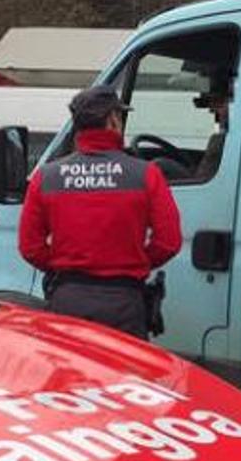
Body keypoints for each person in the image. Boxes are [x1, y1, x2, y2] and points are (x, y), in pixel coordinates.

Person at [19, 86, 182, 338]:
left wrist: (63, 264)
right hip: (125, 303)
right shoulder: (146, 174)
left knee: (70, 375)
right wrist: (135, 261)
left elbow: (30, 246)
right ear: (112, 120)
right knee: (125, 375)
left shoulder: (46, 176)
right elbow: (169, 242)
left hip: (67, 300)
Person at [193, 71, 233, 181]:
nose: (212, 110)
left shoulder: (224, 142)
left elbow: (201, 179)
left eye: (217, 102)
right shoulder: (221, 136)